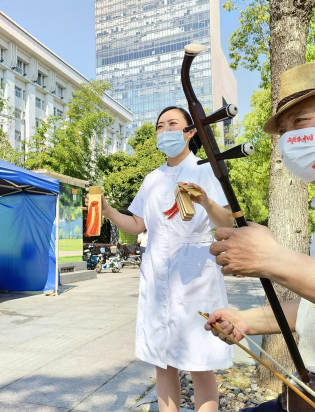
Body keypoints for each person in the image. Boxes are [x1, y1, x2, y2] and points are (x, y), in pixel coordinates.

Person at [204, 60, 315, 411]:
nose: (288, 141)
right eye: (283, 133)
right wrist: (246, 320)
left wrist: (273, 259)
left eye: (300, 122)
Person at [89, 106, 235, 412]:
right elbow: (137, 224)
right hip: (157, 274)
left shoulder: (205, 170)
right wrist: (107, 210)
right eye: (160, 126)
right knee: (162, 359)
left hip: (194, 271)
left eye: (173, 124)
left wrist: (206, 200)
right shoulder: (152, 178)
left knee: (199, 359)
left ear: (190, 132)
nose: (165, 131)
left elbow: (226, 222)